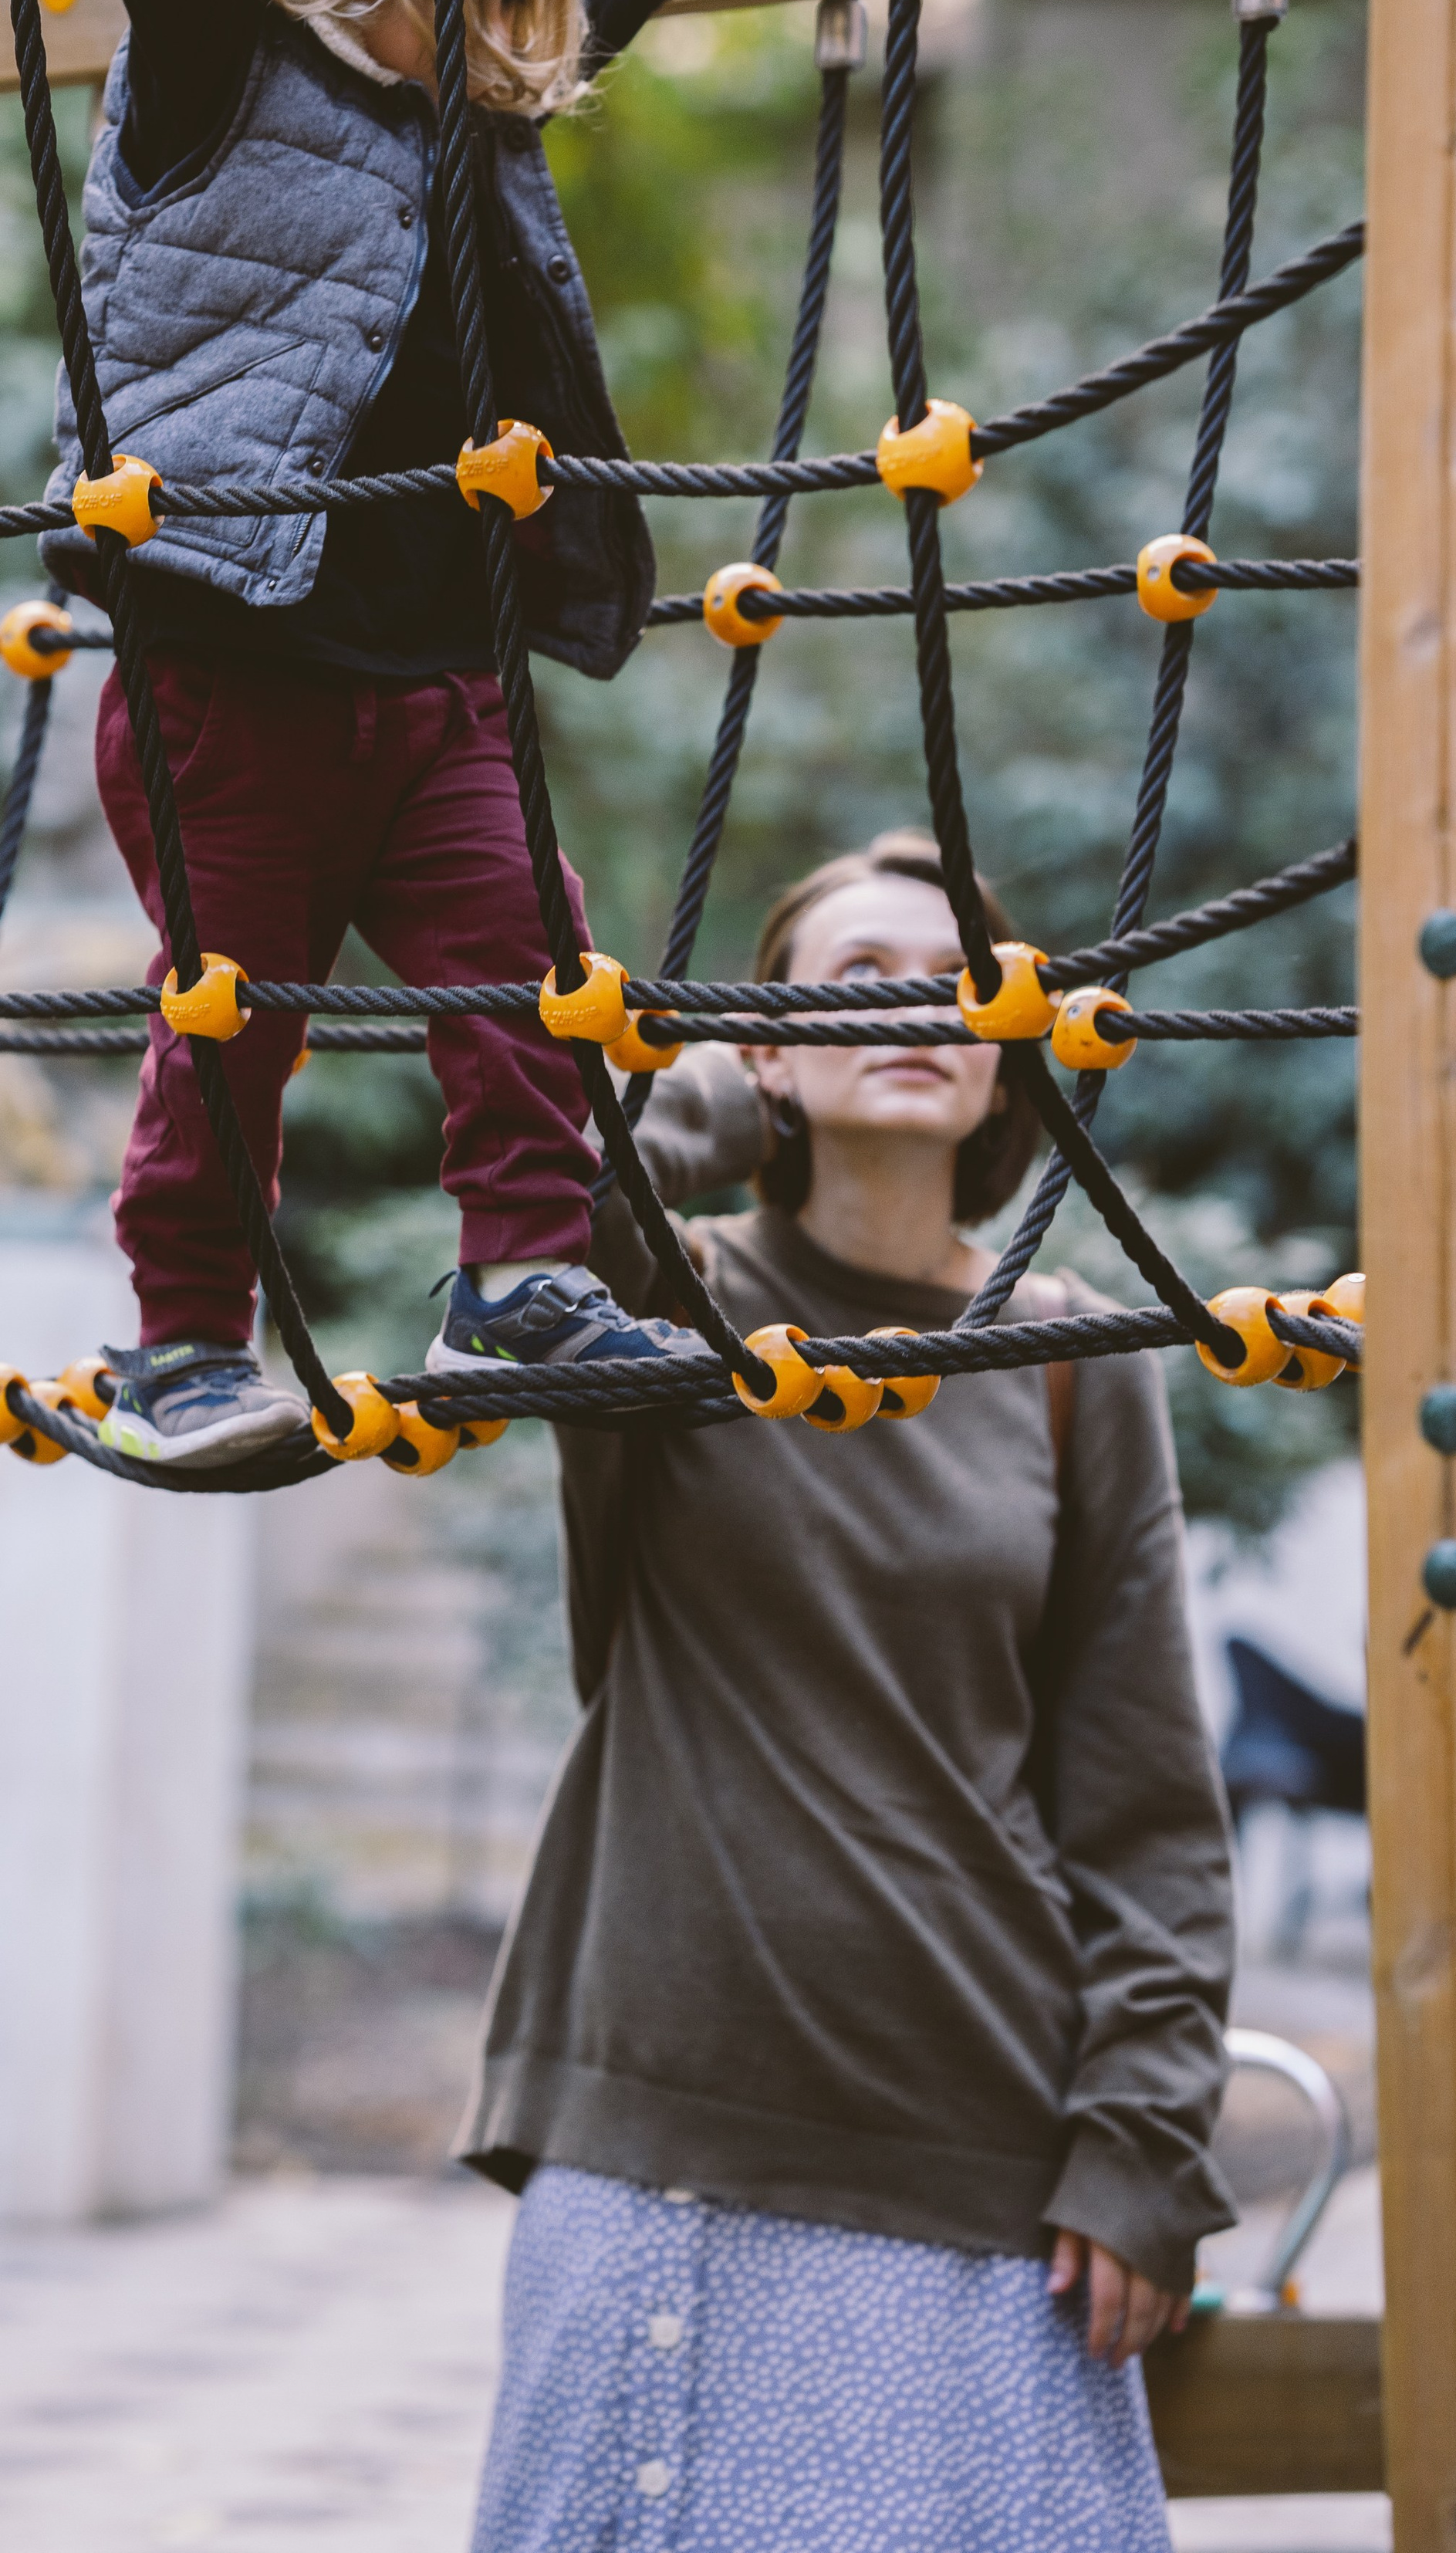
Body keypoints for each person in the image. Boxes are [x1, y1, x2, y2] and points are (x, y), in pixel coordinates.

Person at [38, 0, 885, 1467]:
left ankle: (517, 1276)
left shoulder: (476, 83)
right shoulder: (213, 67)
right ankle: (181, 1340)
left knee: (530, 968)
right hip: (227, 674)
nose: (528, 32)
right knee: (230, 1022)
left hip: (437, 688)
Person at [458, 831, 1238, 2551]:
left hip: (981, 2149)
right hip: (659, 2126)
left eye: (956, 973)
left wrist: (1140, 2139)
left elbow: (1148, 1808)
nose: (917, 1002)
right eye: (851, 976)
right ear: (760, 1044)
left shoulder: (1065, 1355)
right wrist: (707, 1102)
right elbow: (552, 1209)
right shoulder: (653, 1308)